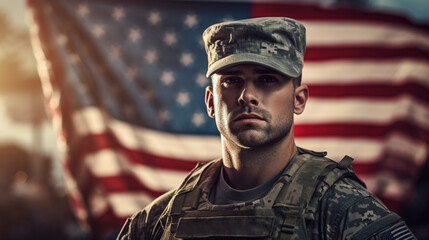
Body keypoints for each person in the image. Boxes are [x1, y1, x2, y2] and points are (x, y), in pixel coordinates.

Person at [117, 17, 416, 240]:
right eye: (232, 80)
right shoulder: (160, 220)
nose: (248, 95)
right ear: (211, 101)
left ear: (299, 100)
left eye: (267, 79)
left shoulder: (342, 210)